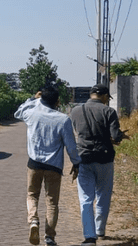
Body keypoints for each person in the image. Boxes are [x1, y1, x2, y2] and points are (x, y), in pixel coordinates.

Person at [14, 85, 81, 246]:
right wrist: (76, 163)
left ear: (41, 98)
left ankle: (33, 221)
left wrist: (33, 100)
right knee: (52, 202)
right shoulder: (63, 119)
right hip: (54, 167)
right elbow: (71, 147)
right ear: (57, 101)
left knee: (32, 195)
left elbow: (18, 112)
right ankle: (49, 237)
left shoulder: (31, 114)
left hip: (34, 164)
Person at [69, 84, 129, 245]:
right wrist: (120, 136)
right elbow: (115, 136)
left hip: (84, 158)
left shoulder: (75, 111)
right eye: (107, 98)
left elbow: (77, 132)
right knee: (103, 195)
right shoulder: (108, 112)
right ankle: (100, 229)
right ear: (104, 96)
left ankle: (89, 235)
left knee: (86, 198)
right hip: (104, 158)